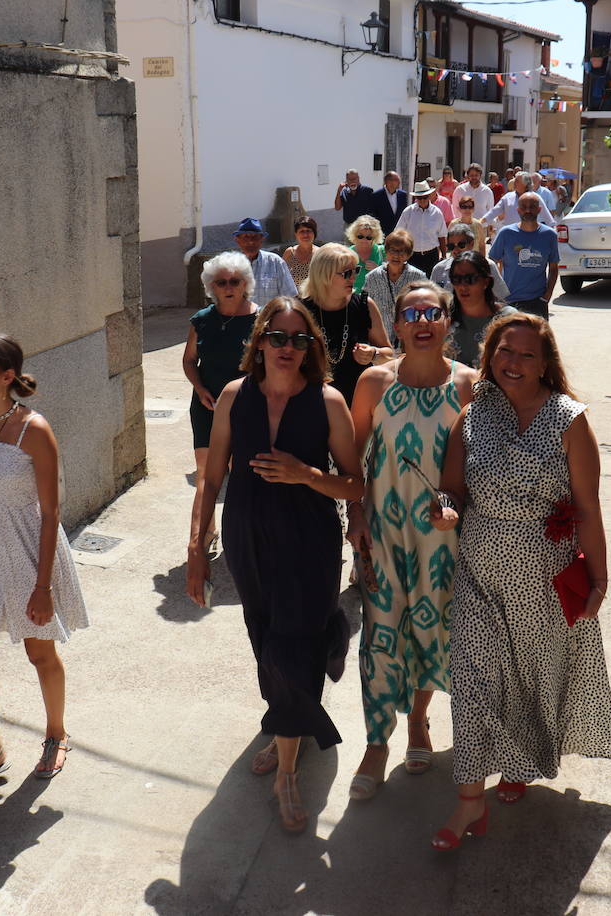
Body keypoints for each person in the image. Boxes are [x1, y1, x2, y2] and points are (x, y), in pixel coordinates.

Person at [429, 313, 611, 850]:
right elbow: (451, 489)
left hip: (543, 574)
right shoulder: (473, 413)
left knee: (531, 676)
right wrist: (445, 509)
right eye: (503, 351)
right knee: (471, 681)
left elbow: (587, 508)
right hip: (478, 569)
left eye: (525, 355)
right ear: (490, 355)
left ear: (545, 365)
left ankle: (519, 762)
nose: (512, 363)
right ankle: (470, 800)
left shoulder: (569, 421)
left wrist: (599, 580)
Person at [185, 297, 365, 833]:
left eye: (299, 340)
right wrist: (198, 551)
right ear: (259, 341)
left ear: (312, 348)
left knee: (291, 641)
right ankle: (287, 719)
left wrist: (305, 473)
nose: (288, 348)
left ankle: (287, 770)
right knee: (264, 636)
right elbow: (211, 478)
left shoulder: (329, 401)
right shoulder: (234, 398)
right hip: (247, 534)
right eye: (278, 337)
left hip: (308, 539)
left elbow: (356, 486)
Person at [345, 282, 477, 801]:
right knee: (379, 635)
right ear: (397, 326)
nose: (423, 322)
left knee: (431, 626)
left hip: (440, 539)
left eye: (434, 312)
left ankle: (420, 721)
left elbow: (473, 466)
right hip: (382, 531)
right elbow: (352, 458)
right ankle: (377, 743)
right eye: (412, 313)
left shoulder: (470, 386)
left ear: (448, 322)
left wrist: (454, 505)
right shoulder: (374, 383)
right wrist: (354, 516)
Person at [0, 334, 89, 797]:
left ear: (7, 377)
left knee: (39, 651)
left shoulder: (36, 429)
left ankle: (56, 733)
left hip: (30, 545)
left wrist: (43, 586)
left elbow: (51, 513)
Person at [183, 251, 258, 551]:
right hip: (207, 406)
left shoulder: (260, 319)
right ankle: (200, 538)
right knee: (205, 474)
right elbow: (189, 361)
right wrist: (199, 388)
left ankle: (244, 538)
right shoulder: (201, 321)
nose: (228, 287)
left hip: (246, 408)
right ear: (211, 286)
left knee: (241, 474)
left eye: (235, 281)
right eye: (221, 282)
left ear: (245, 284)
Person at [299, 243, 394, 406]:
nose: (354, 278)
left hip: (359, 402)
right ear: (324, 275)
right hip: (312, 402)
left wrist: (373, 354)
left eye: (356, 270)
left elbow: (389, 355)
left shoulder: (365, 305)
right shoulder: (300, 311)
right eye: (347, 273)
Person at [488, 193, 561, 317]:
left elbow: (553, 269)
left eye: (532, 206)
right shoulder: (506, 233)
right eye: (524, 207)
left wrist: (546, 297)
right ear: (518, 210)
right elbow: (491, 263)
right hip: (509, 301)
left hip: (537, 301)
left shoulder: (549, 235)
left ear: (539, 209)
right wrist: (495, 293)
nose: (528, 210)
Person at [445, 251, 518, 367]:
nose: (463, 286)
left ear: (486, 282)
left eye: (470, 279)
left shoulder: (509, 320)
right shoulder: (442, 319)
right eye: (457, 279)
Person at [362, 229, 426, 346]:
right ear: (386, 251)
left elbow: (426, 306)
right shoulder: (372, 278)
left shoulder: (418, 277)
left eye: (401, 252)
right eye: (392, 250)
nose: (396, 255)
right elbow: (364, 309)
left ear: (408, 255)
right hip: (380, 340)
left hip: (411, 339)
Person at [430, 222, 511, 303]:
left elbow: (501, 298)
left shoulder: (488, 266)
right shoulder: (439, 269)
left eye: (461, 245)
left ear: (471, 244)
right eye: (451, 246)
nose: (456, 250)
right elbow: (432, 301)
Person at [234, 218, 298, 304]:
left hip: (270, 317)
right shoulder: (231, 265)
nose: (251, 242)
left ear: (262, 240)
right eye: (246, 237)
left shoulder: (275, 262)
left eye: (255, 237)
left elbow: (291, 298)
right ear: (238, 240)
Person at [396, 182, 447, 276]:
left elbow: (442, 236)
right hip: (412, 256)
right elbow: (399, 234)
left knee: (430, 285)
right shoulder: (408, 212)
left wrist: (444, 257)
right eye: (419, 198)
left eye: (425, 197)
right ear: (416, 198)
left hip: (431, 256)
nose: (423, 200)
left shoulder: (437, 213)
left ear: (429, 196)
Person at [481, 172, 556, 231]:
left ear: (525, 184)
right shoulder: (508, 197)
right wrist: (482, 221)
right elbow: (494, 212)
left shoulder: (535, 198)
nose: (514, 183)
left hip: (530, 236)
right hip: (511, 234)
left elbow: (548, 219)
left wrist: (552, 232)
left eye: (517, 181)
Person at [345, 215, 385, 294]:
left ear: (375, 237)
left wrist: (378, 269)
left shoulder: (383, 251)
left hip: (377, 298)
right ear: (354, 235)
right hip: (354, 299)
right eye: (360, 236)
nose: (364, 240)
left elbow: (394, 275)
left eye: (369, 237)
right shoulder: (347, 253)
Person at [282, 215, 319, 290]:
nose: (305, 235)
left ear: (314, 233)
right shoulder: (289, 253)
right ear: (296, 234)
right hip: (293, 298)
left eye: (308, 231)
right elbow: (281, 276)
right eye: (302, 231)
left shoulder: (320, 253)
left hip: (315, 298)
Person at [369, 171, 408, 236]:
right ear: (387, 181)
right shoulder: (376, 195)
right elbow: (373, 215)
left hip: (398, 233)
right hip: (382, 233)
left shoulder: (402, 195)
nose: (399, 182)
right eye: (396, 180)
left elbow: (404, 213)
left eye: (398, 180)